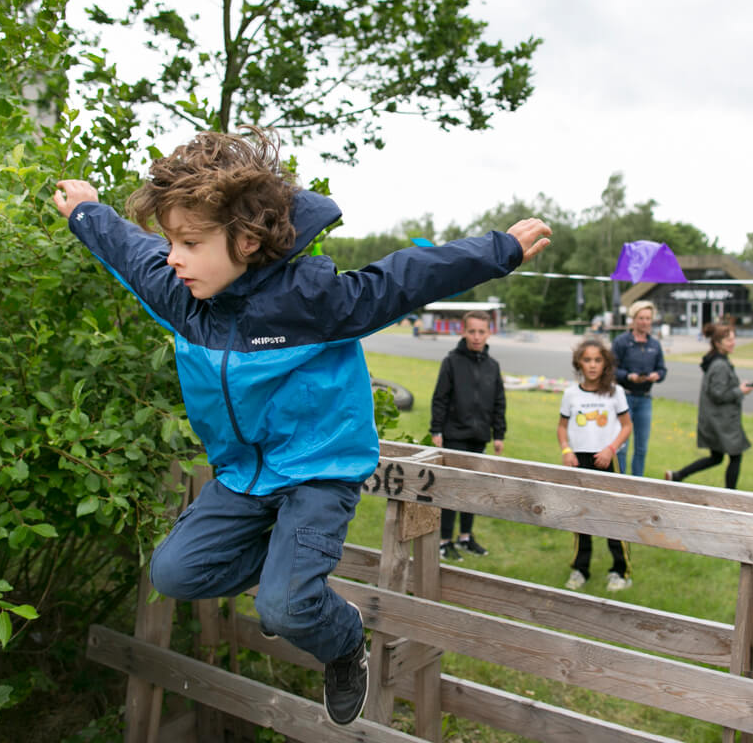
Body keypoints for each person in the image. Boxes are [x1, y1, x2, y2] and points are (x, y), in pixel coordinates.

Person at [51, 128, 551, 726]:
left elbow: (405, 277)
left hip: (317, 470)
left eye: (189, 241)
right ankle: (289, 562)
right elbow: (130, 252)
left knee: (284, 610)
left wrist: (500, 250)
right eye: (171, 241)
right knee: (174, 572)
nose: (173, 257)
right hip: (244, 476)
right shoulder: (183, 295)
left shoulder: (312, 300)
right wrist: (86, 210)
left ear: (247, 237)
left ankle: (343, 644)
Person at [557, 339, 633, 592]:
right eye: (587, 360)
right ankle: (580, 569)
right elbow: (561, 427)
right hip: (580, 461)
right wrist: (567, 450)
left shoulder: (615, 392)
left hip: (606, 460)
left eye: (597, 360)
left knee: (613, 517)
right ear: (579, 362)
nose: (592, 365)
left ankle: (620, 571)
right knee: (581, 517)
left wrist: (611, 450)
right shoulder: (571, 394)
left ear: (606, 363)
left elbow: (626, 426)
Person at [430, 310, 505, 561]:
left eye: (481, 332)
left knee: (473, 489)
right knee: (453, 489)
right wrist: (436, 429)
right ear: (463, 332)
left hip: (479, 436)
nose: (476, 336)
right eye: (471, 331)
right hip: (454, 434)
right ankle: (444, 540)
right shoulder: (451, 361)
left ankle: (465, 537)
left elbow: (498, 401)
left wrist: (498, 433)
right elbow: (440, 397)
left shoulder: (493, 366)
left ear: (489, 332)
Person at [664, 321, 753, 489]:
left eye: (733, 339)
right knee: (735, 455)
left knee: (717, 457)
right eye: (729, 340)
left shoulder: (716, 360)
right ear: (718, 343)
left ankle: (677, 475)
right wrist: (740, 391)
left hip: (715, 418)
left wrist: (736, 387)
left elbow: (718, 388)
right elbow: (718, 394)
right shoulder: (719, 364)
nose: (733, 343)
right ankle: (731, 495)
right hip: (721, 421)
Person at [611, 300, 666, 477]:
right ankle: (619, 481)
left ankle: (638, 483)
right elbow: (611, 369)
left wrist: (657, 375)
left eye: (648, 318)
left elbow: (662, 369)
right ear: (633, 320)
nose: (645, 322)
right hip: (625, 397)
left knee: (641, 447)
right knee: (622, 445)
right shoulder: (621, 342)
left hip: (645, 398)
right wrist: (628, 376)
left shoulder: (654, 345)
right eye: (641, 318)